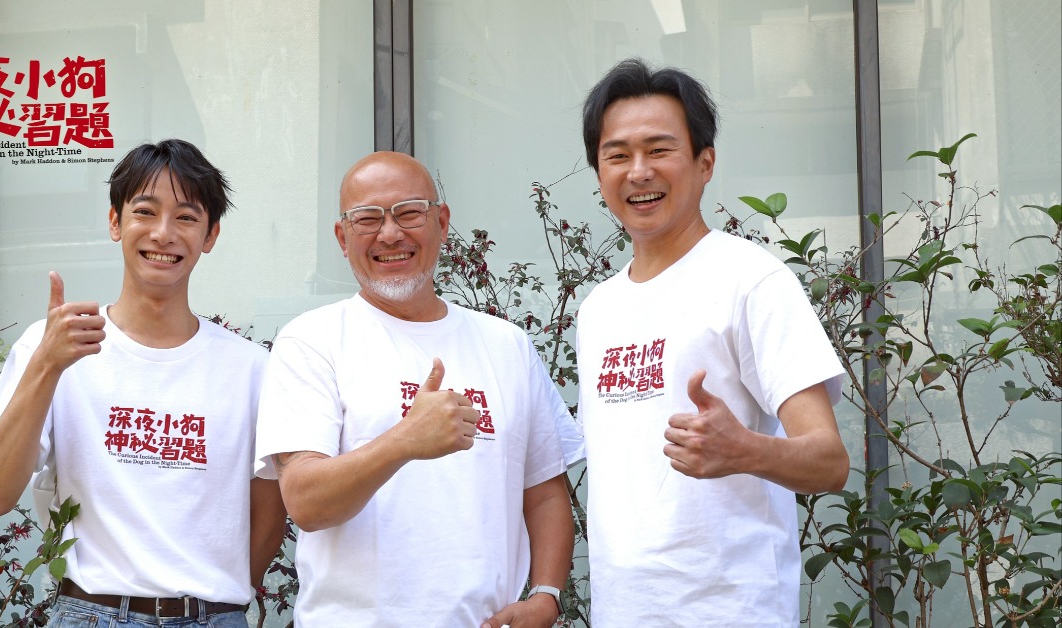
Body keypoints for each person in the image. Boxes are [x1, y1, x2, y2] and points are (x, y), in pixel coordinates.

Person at [254, 151, 582, 627]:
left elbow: (545, 490)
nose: (390, 234)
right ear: (343, 238)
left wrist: (546, 595)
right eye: (367, 219)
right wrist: (405, 440)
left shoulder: (506, 344)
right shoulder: (312, 340)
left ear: (442, 223)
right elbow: (306, 502)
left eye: (409, 213)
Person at [575, 58, 850, 626]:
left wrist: (746, 449)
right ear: (599, 172)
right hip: (623, 612)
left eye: (659, 150)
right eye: (617, 155)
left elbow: (829, 462)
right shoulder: (598, 308)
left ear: (705, 163)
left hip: (731, 610)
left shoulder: (752, 280)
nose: (639, 172)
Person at [0, 139, 286, 628]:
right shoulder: (52, 344)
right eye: (145, 211)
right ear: (115, 222)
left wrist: (211, 605)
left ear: (210, 235)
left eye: (186, 217)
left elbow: (269, 514)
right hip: (90, 614)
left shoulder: (252, 368)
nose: (163, 233)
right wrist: (46, 366)